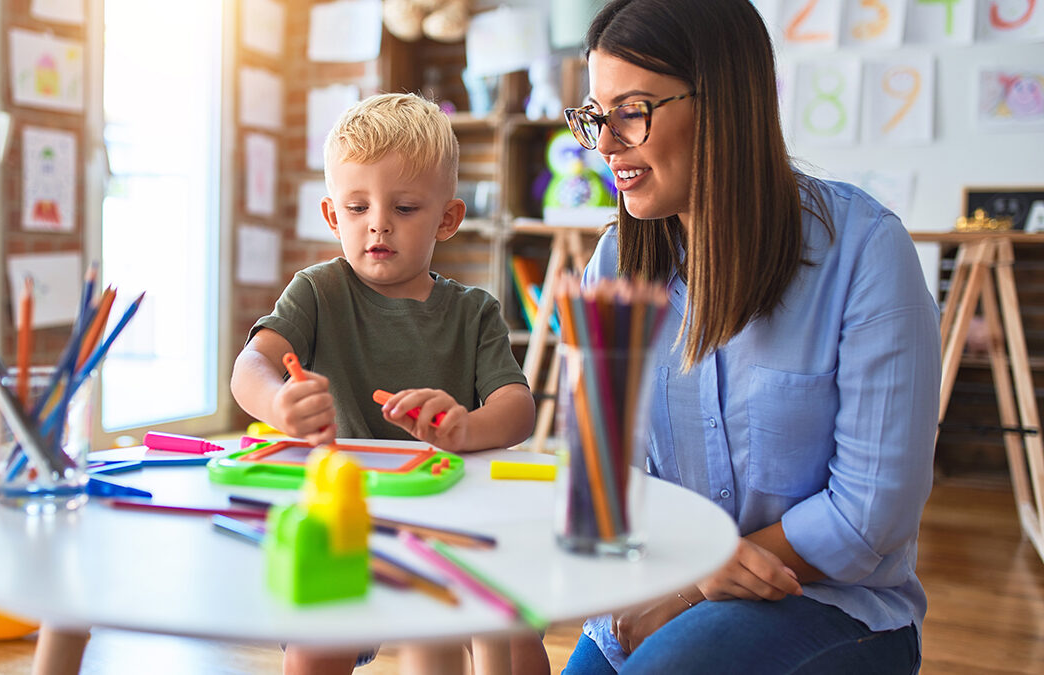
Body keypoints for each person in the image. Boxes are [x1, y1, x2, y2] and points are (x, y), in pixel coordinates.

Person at [559, 1, 941, 673]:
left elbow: (870, 514)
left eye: (631, 112)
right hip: (658, 588)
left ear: (724, 102)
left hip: (831, 604)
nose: (607, 145)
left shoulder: (865, 251)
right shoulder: (612, 265)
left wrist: (695, 584)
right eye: (595, 116)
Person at [230, 92, 547, 675]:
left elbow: (517, 407)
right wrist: (278, 402)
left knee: (516, 639)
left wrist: (466, 427)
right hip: (344, 515)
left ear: (447, 219)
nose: (378, 222)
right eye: (357, 207)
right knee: (312, 648)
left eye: (404, 207)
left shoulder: (474, 311)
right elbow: (250, 367)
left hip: (452, 517)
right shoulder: (318, 291)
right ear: (333, 216)